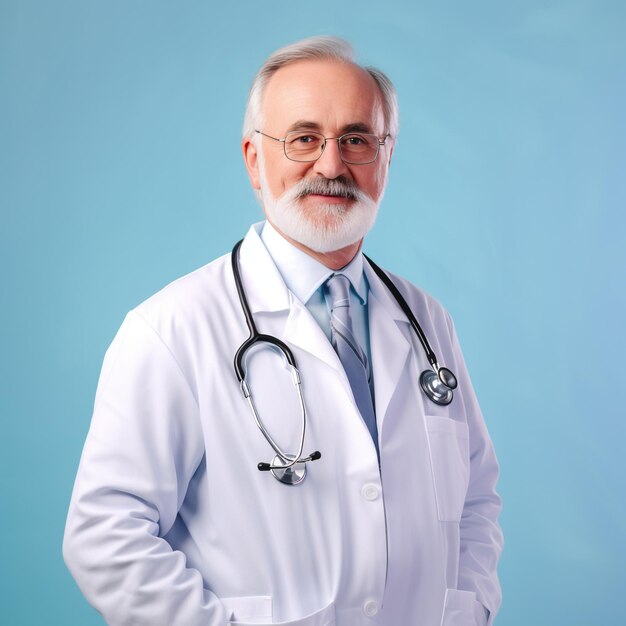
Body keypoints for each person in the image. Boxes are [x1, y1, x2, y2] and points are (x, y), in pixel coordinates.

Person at [63, 36, 503, 626]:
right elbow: (105, 537)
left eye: (356, 139)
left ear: (386, 157)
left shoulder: (428, 323)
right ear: (253, 159)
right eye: (304, 138)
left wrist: (468, 610)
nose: (331, 165)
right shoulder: (172, 329)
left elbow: (475, 501)